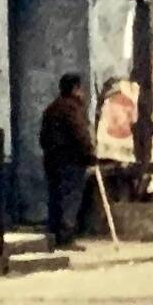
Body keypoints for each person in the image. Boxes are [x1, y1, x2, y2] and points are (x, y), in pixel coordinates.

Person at [39, 70, 99, 247]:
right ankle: (65, 238)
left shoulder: (52, 108)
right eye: (81, 88)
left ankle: (53, 236)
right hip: (71, 162)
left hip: (52, 160)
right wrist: (90, 155)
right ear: (75, 89)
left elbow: (42, 137)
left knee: (55, 197)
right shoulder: (73, 109)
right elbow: (80, 135)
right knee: (70, 199)